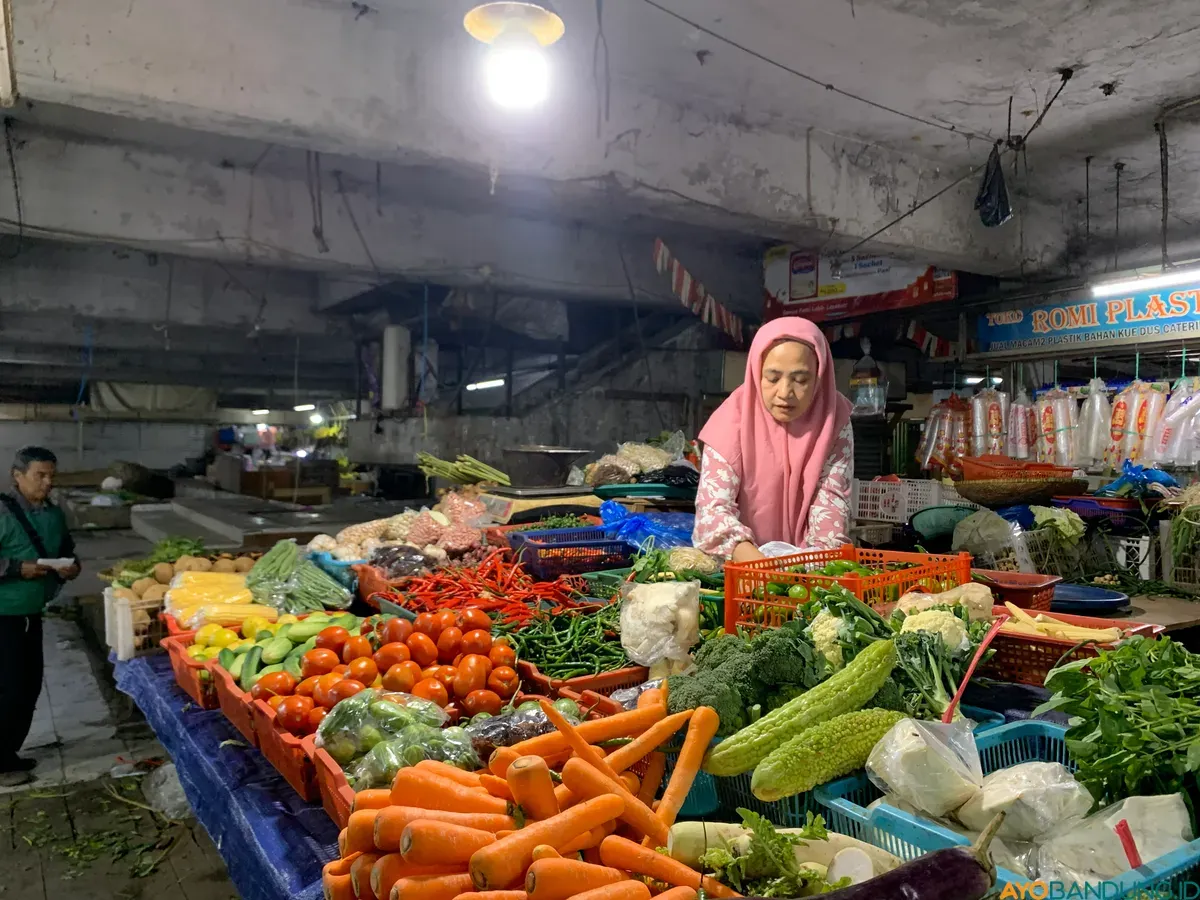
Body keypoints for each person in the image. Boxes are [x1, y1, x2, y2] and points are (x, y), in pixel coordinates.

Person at [693, 317, 854, 562]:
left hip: (807, 573)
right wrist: (762, 568)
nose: (785, 393)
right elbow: (713, 513)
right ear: (756, 373)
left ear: (820, 376)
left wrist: (799, 573)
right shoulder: (729, 422)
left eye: (801, 380)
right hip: (737, 569)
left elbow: (832, 509)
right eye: (772, 378)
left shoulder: (834, 420)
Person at [0, 447, 80, 786]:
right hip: (4, 614)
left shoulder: (52, 514)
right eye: (39, 476)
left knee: (28, 686)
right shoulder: (2, 513)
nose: (47, 483)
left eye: (51, 476)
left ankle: (8, 753)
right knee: (9, 689)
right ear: (17, 477)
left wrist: (71, 567)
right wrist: (18, 568)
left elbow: (66, 549)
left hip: (32, 613)